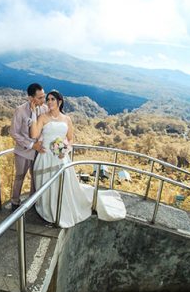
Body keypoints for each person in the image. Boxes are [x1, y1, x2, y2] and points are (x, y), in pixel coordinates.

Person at [31, 90, 126, 228]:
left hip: (60, 157)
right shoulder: (42, 117)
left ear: (60, 101)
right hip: (45, 157)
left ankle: (61, 210)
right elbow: (34, 134)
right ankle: (48, 210)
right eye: (48, 99)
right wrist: (34, 113)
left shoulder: (67, 119)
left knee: (62, 186)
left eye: (52, 99)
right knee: (48, 186)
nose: (50, 102)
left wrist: (64, 150)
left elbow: (70, 140)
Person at [9, 83, 48, 211]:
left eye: (44, 96)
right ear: (31, 98)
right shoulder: (20, 110)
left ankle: (32, 201)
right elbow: (13, 132)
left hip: (38, 151)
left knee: (35, 177)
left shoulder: (44, 109)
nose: (44, 100)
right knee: (20, 176)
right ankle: (15, 202)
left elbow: (45, 130)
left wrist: (40, 143)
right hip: (22, 152)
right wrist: (31, 145)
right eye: (40, 98)